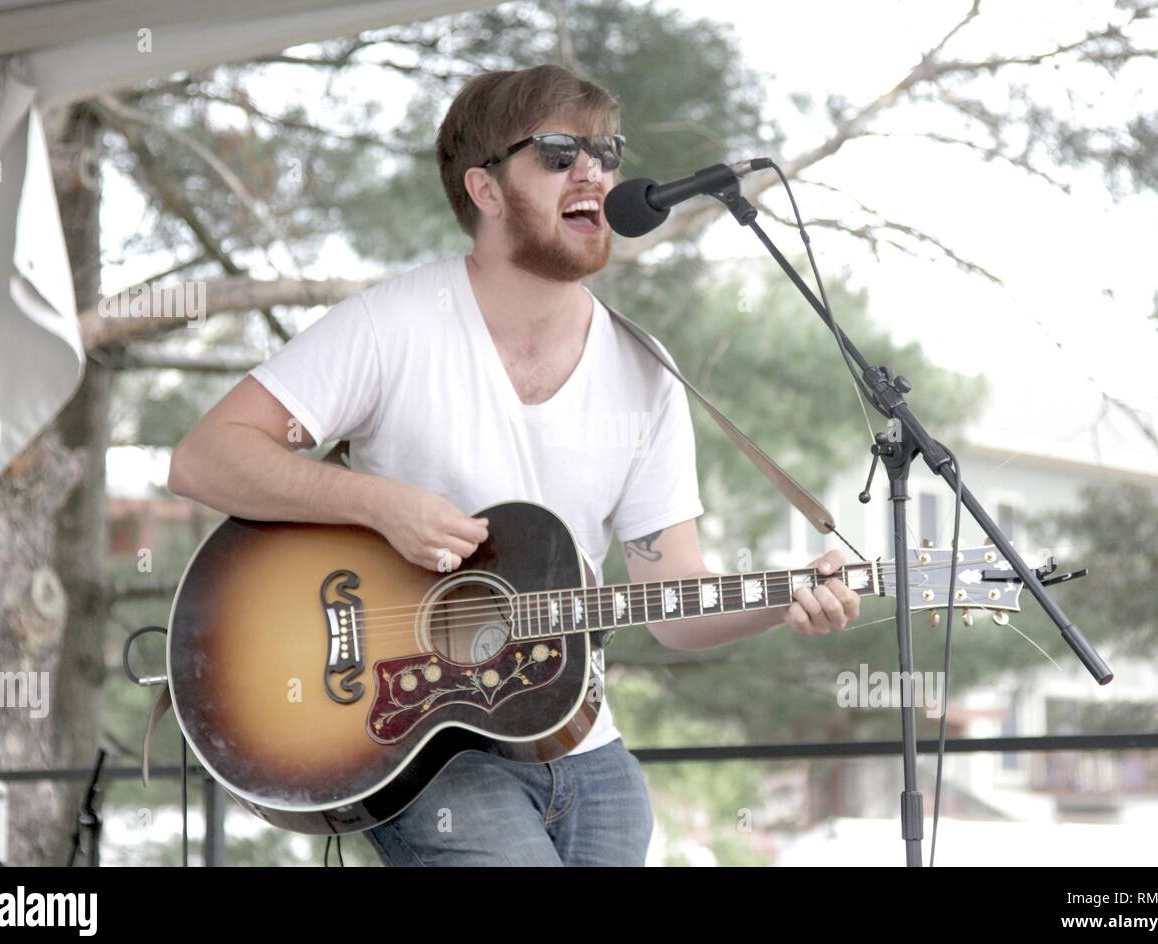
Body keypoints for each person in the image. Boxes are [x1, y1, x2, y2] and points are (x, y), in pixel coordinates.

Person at [167, 64, 861, 866]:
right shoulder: (390, 327)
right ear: (486, 190)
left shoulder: (644, 369)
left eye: (607, 150)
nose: (595, 171)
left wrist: (787, 598)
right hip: (428, 751)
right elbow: (206, 456)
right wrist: (379, 505)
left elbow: (673, 608)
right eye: (561, 151)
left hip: (584, 747)